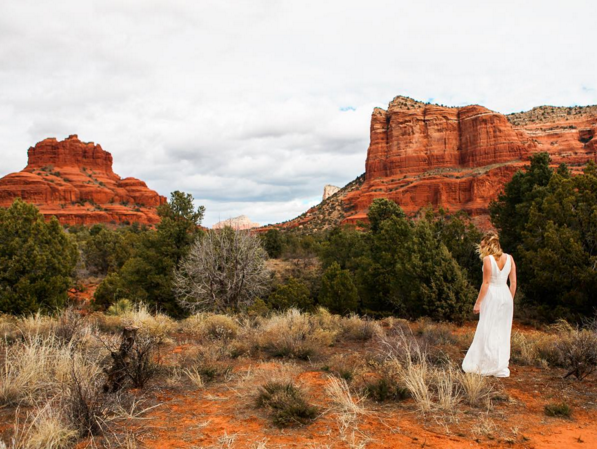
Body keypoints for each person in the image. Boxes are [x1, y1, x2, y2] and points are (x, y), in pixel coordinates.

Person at [462, 231, 517, 377]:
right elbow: (513, 283)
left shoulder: (488, 260)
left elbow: (485, 283)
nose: (481, 249)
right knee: (503, 331)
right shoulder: (510, 258)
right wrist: (509, 300)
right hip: (505, 296)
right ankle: (500, 365)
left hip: (492, 295)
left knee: (487, 328)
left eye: (483, 246)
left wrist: (478, 303)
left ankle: (487, 364)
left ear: (489, 246)